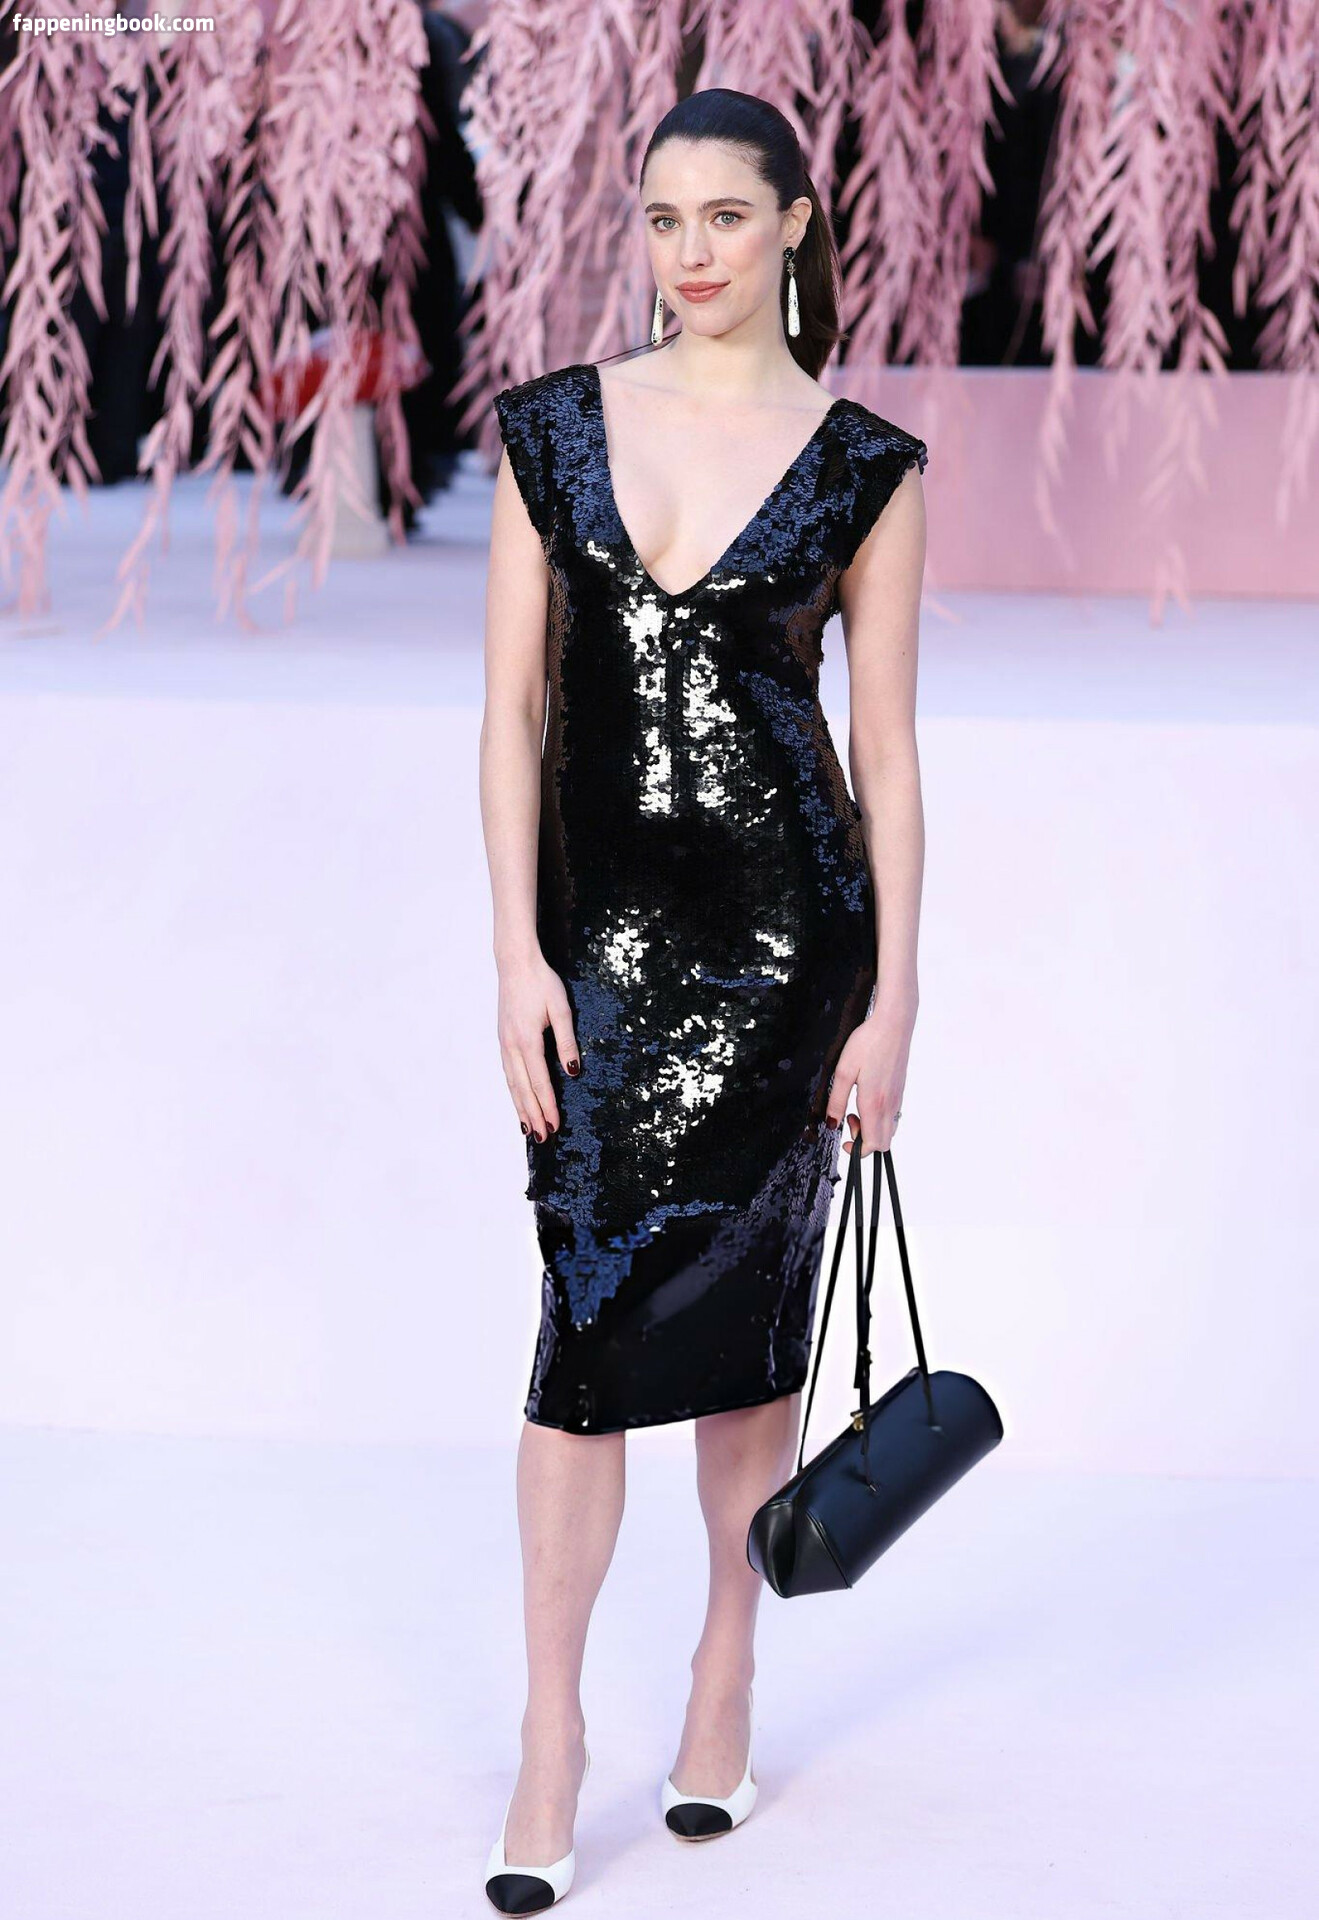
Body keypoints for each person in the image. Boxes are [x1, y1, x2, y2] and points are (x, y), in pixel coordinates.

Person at [479, 86, 928, 1913]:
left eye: (728, 217)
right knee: (582, 1341)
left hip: (786, 956)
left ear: (796, 223)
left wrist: (894, 1000)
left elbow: (885, 757)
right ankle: (551, 1729)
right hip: (593, 955)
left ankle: (725, 1671)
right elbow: (512, 713)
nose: (693, 253)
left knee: (750, 1345)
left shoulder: (864, 463)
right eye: (664, 219)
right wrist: (514, 952)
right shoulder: (553, 429)